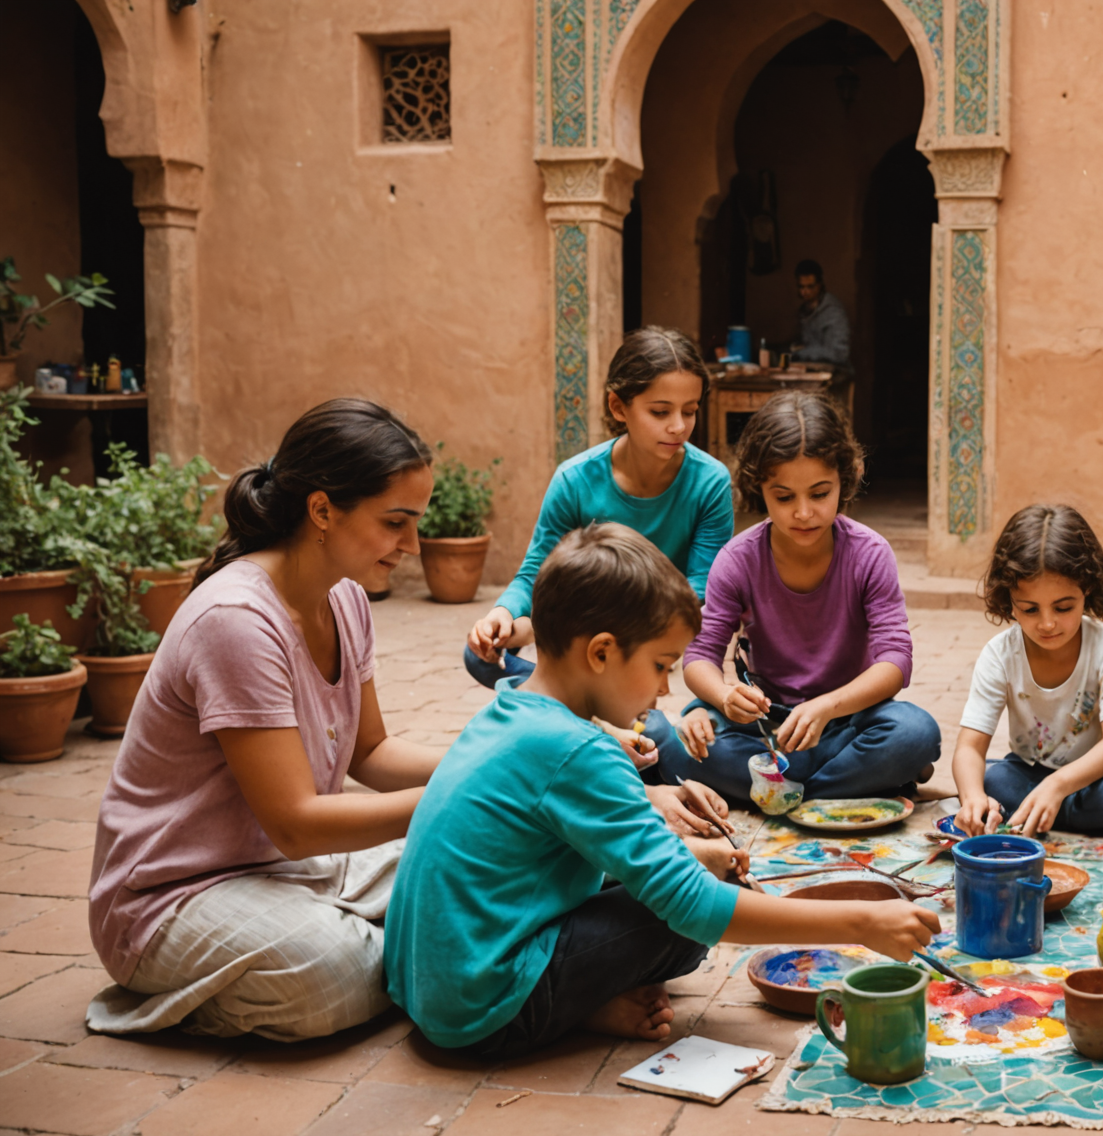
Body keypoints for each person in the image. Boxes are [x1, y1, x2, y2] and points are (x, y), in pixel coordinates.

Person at [387, 524, 939, 1057]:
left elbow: (552, 851)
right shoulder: (580, 751)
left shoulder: (512, 709)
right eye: (659, 665)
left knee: (683, 875)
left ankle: (576, 1001)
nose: (665, 688)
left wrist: (690, 852)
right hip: (482, 1014)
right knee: (681, 922)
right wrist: (860, 922)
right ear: (600, 653)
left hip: (426, 989)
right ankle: (567, 1009)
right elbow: (692, 908)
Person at [85, 399, 445, 1041]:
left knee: (473, 862)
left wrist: (500, 765)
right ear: (322, 509)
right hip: (171, 899)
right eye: (396, 522)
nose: (412, 546)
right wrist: (464, 795)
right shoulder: (236, 620)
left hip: (289, 871)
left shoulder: (345, 599)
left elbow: (373, 751)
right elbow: (297, 823)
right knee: (333, 974)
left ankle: (395, 947)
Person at [462, 326, 735, 833]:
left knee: (670, 739)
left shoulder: (709, 482)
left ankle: (602, 728)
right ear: (618, 406)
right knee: (482, 651)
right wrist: (504, 614)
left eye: (690, 410)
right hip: (588, 651)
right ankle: (609, 728)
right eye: (660, 411)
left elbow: (701, 592)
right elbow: (536, 574)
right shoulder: (575, 479)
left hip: (646, 653)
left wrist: (644, 652)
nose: (679, 426)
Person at [661, 390, 939, 805]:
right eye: (785, 497)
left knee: (915, 732)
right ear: (760, 489)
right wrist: (722, 698)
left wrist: (828, 706)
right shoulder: (737, 560)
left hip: (850, 718)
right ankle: (856, 784)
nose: (804, 512)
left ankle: (776, 790)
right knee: (672, 742)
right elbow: (700, 656)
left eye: (820, 493)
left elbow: (896, 662)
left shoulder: (869, 553)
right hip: (765, 725)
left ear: (847, 477)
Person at [951, 505, 1103, 836]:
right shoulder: (1000, 654)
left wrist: (1058, 786)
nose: (1047, 623)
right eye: (1029, 609)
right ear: (1008, 600)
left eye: (1063, 607)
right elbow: (970, 747)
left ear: (1087, 590)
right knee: (991, 780)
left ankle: (1045, 811)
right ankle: (1056, 812)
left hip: (1095, 779)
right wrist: (972, 799)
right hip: (1028, 774)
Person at [792, 259, 851, 366]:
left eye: (810, 286)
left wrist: (802, 353)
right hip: (813, 370)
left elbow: (839, 354)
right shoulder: (804, 311)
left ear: (819, 285)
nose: (805, 292)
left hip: (836, 373)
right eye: (801, 287)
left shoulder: (833, 312)